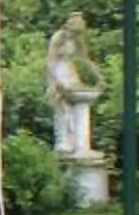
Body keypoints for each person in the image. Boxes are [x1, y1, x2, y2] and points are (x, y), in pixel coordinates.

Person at [44, 13, 107, 156]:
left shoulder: (77, 40)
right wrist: (54, 81)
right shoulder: (59, 37)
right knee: (63, 109)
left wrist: (99, 77)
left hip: (69, 72)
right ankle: (64, 144)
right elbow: (49, 62)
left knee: (78, 104)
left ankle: (81, 146)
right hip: (58, 71)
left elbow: (86, 60)